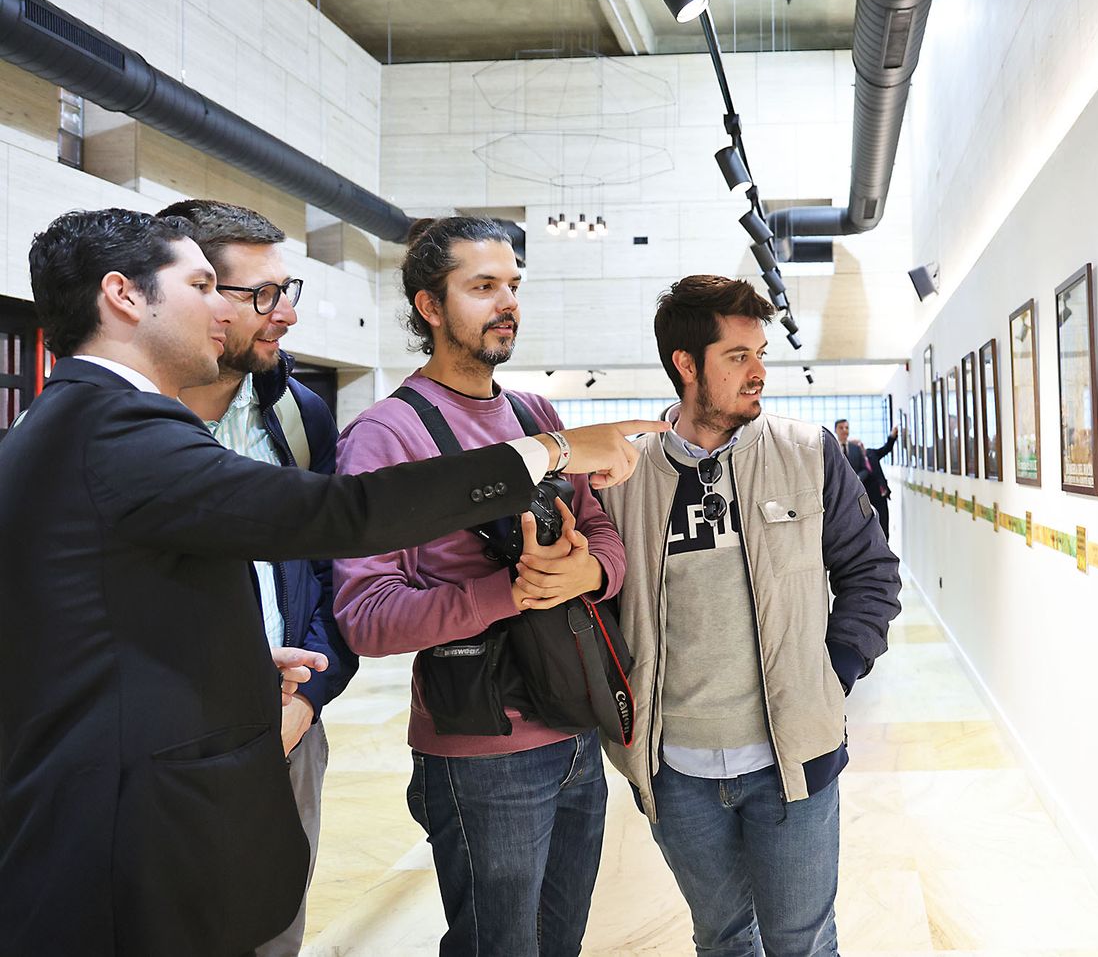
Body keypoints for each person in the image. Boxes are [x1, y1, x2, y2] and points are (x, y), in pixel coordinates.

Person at [0, 208, 663, 956]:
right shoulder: (116, 426)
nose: (226, 310)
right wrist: (549, 452)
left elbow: (100, 616)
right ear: (124, 295)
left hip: (180, 775)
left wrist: (241, 666)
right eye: (203, 285)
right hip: (125, 822)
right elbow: (345, 516)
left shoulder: (79, 419)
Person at [334, 217, 623, 957]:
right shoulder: (386, 434)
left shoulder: (535, 415)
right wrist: (511, 593)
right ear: (430, 306)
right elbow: (366, 615)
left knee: (561, 943)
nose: (507, 303)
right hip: (480, 753)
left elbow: (603, 531)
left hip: (575, 725)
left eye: (513, 286)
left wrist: (589, 570)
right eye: (483, 286)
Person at [597, 274, 902, 956]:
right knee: (724, 939)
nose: (759, 371)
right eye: (738, 356)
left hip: (792, 762)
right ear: (686, 364)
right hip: (675, 773)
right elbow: (598, 603)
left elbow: (872, 573)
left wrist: (833, 672)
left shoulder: (808, 453)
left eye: (760, 353)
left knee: (802, 942)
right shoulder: (625, 474)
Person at [159, 199, 357, 957]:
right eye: (264, 295)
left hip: (288, 732)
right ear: (196, 292)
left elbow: (335, 575)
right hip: (163, 744)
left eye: (288, 290)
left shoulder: (301, 417)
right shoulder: (115, 424)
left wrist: (305, 702)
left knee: (274, 933)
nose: (288, 315)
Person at [835, 418, 899, 538]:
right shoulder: (843, 453)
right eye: (857, 445)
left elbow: (886, 448)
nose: (860, 446)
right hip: (865, 495)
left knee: (883, 524)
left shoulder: (871, 454)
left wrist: (892, 436)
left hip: (880, 496)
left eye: (861, 444)